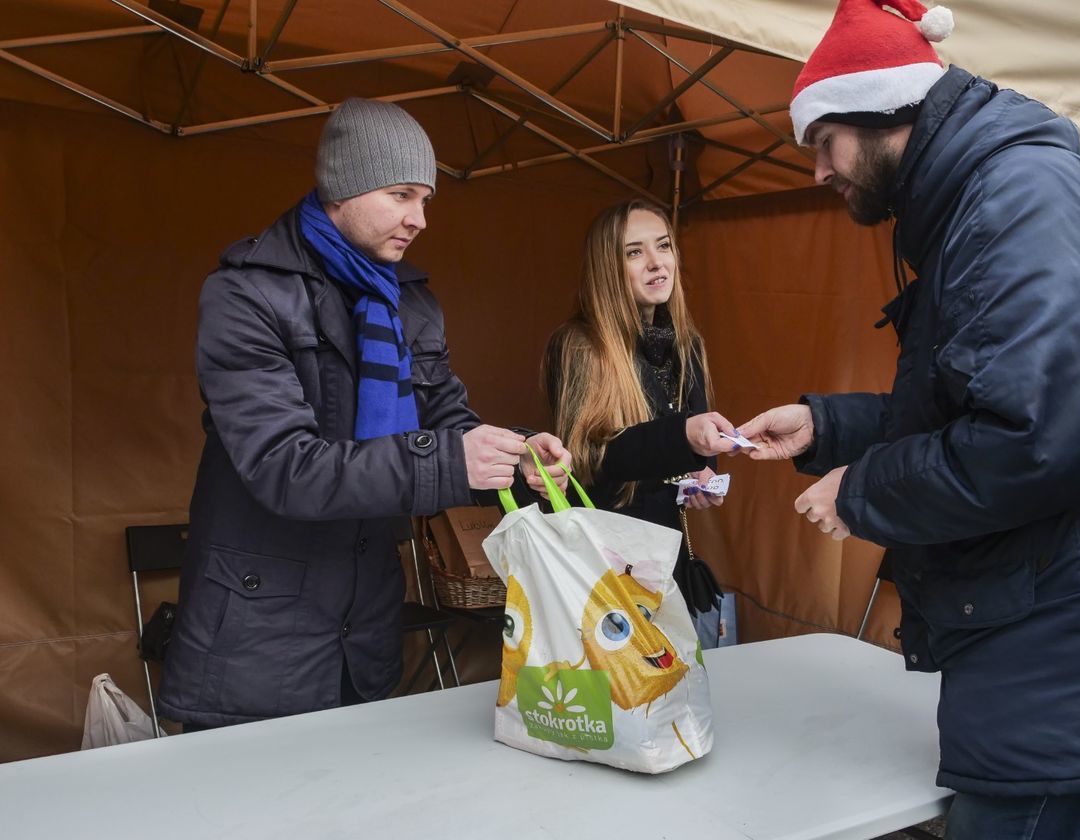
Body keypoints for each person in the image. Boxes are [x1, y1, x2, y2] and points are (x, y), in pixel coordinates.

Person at [735, 1, 1080, 837]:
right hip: (1079, 659)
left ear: (884, 115)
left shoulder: (1017, 198)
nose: (817, 172)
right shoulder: (982, 198)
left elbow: (1040, 441)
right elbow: (989, 403)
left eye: (821, 142)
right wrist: (825, 426)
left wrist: (862, 489)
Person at [158, 97, 569, 730]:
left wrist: (517, 458)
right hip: (256, 646)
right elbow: (283, 467)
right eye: (402, 195)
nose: (420, 219)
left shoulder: (410, 300)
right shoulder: (244, 292)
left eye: (427, 200)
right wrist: (457, 461)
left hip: (365, 635)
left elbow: (446, 422)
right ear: (342, 189)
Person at [542, 199, 734, 624]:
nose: (655, 262)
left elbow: (694, 444)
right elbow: (590, 458)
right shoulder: (579, 345)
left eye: (663, 246)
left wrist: (702, 474)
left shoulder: (687, 344)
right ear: (607, 266)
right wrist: (683, 438)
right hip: (608, 565)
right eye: (634, 252)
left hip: (669, 555)